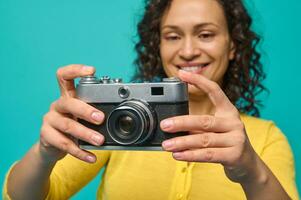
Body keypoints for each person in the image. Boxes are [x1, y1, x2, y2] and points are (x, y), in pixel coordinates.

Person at [3, 0, 299, 199]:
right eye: (172, 36)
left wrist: (250, 168)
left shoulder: (265, 138)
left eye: (205, 34)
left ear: (233, 45)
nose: (187, 51)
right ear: (157, 45)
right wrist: (45, 153)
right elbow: (29, 195)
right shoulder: (120, 121)